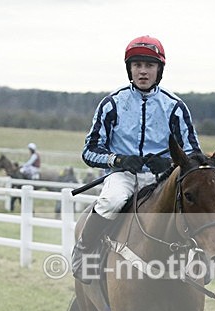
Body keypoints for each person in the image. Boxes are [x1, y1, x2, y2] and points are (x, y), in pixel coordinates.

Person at [74, 35, 201, 282]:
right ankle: (85, 250)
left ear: (159, 70)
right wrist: (117, 160)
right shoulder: (111, 104)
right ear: (129, 69)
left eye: (149, 65)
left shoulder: (175, 107)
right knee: (112, 200)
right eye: (137, 65)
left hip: (162, 178)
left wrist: (171, 164)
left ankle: (199, 261)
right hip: (122, 176)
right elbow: (89, 151)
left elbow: (193, 154)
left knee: (186, 207)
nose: (143, 71)